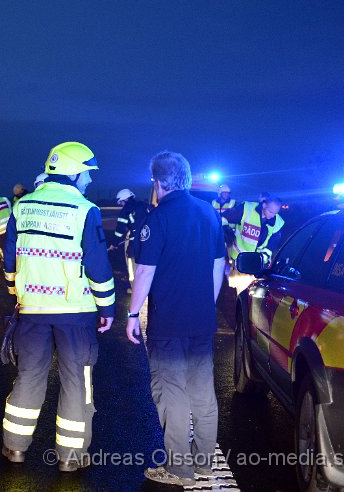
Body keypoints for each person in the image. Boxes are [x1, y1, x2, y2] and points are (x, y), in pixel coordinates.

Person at [2, 141, 115, 472]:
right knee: (76, 381)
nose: (90, 181)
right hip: (74, 314)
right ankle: (71, 457)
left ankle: (15, 449)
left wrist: (17, 293)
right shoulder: (84, 210)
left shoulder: (21, 207)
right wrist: (107, 309)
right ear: (75, 172)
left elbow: (11, 259)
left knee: (29, 376)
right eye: (88, 174)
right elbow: (97, 265)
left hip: (31, 310)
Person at [123, 151, 225, 486]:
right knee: (202, 392)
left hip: (169, 322)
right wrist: (206, 306)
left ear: (159, 182)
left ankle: (179, 469)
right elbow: (217, 266)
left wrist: (133, 314)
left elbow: (145, 270)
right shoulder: (209, 213)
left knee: (171, 393)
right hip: (202, 321)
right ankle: (205, 464)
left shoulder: (158, 218)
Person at [222, 195, 285, 267]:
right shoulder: (246, 209)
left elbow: (272, 245)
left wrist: (261, 259)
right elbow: (224, 217)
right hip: (238, 260)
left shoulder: (278, 222)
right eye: (270, 212)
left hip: (258, 264)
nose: (273, 216)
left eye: (275, 213)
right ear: (264, 205)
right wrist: (226, 230)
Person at [109, 188, 149, 290]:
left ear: (124, 200)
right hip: (148, 241)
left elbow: (119, 230)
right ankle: (146, 287)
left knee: (133, 267)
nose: (121, 205)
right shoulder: (143, 205)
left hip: (135, 244)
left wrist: (114, 243)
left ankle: (136, 289)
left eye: (120, 202)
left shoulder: (126, 210)